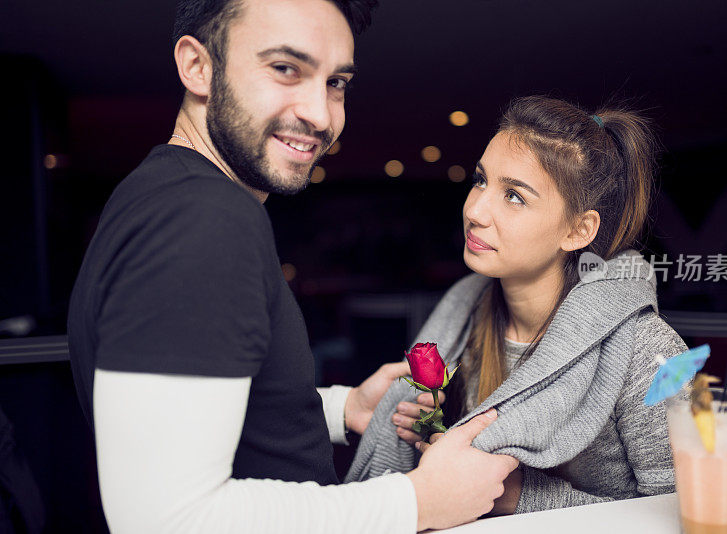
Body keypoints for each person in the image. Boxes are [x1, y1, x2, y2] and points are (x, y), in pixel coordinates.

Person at [66, 1, 517, 532]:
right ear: (197, 67)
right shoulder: (206, 216)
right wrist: (418, 499)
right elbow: (167, 519)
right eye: (286, 69)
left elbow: (183, 421)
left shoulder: (156, 191)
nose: (322, 116)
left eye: (336, 83)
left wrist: (338, 409)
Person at [348, 95, 687, 515]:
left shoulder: (648, 351)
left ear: (579, 230)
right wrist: (431, 442)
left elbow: (683, 513)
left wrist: (513, 493)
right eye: (480, 180)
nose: (474, 210)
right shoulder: (463, 315)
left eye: (514, 196)